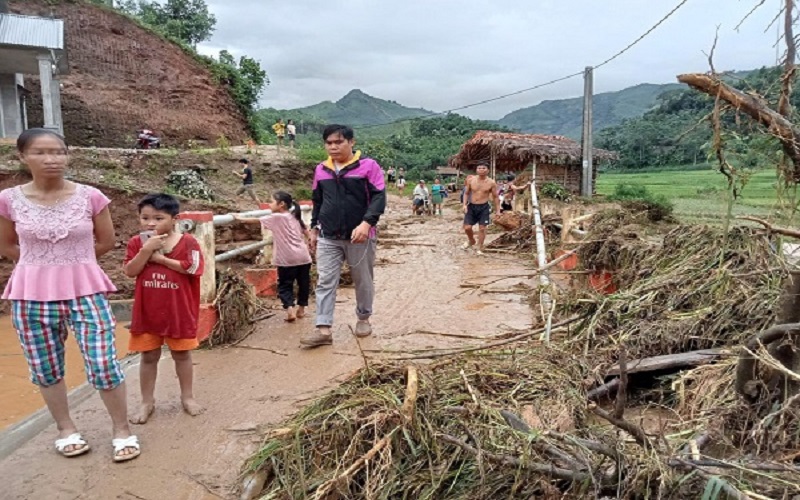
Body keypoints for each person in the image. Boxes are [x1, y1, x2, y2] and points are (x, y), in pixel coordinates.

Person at [0, 128, 139, 462]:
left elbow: (105, 241)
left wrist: (71, 264)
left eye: (59, 152)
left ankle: (122, 430)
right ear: (23, 157)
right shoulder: (8, 200)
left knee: (104, 363)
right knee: (45, 368)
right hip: (30, 295)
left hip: (86, 290)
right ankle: (66, 429)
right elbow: (6, 245)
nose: (52, 159)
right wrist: (40, 265)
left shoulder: (91, 196)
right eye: (41, 152)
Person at [124, 193, 205, 425]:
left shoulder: (188, 242)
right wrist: (146, 250)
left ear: (174, 219)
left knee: (182, 354)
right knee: (148, 356)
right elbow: (130, 271)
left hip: (178, 311)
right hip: (147, 312)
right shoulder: (136, 243)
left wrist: (160, 260)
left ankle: (187, 397)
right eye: (145, 217)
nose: (151, 223)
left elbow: (193, 269)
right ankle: (146, 401)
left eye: (158, 218)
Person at [302, 124, 386, 348]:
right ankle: (323, 328)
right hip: (328, 236)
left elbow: (379, 197)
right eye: (329, 143)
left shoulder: (368, 166)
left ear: (351, 142)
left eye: (338, 142)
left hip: (360, 236)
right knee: (325, 280)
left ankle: (363, 318)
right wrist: (314, 228)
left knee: (363, 279)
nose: (333, 147)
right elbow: (318, 201)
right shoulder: (322, 169)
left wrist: (367, 223)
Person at [235, 191, 312, 322]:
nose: (269, 204)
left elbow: (254, 220)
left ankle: (290, 310)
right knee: (303, 283)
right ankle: (301, 309)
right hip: (303, 257)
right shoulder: (295, 217)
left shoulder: (276, 217)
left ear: (281, 204)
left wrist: (237, 217)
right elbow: (307, 233)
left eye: (271, 201)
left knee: (285, 285)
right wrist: (311, 244)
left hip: (286, 259)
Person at [462, 164, 499, 256]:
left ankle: (480, 247)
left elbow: (495, 197)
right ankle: (471, 240)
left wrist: (498, 210)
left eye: (484, 168)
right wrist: (464, 205)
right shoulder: (471, 180)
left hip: (484, 207)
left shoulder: (491, 182)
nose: (481, 170)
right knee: (467, 228)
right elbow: (466, 193)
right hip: (471, 206)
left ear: (488, 170)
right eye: (479, 168)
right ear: (476, 170)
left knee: (482, 228)